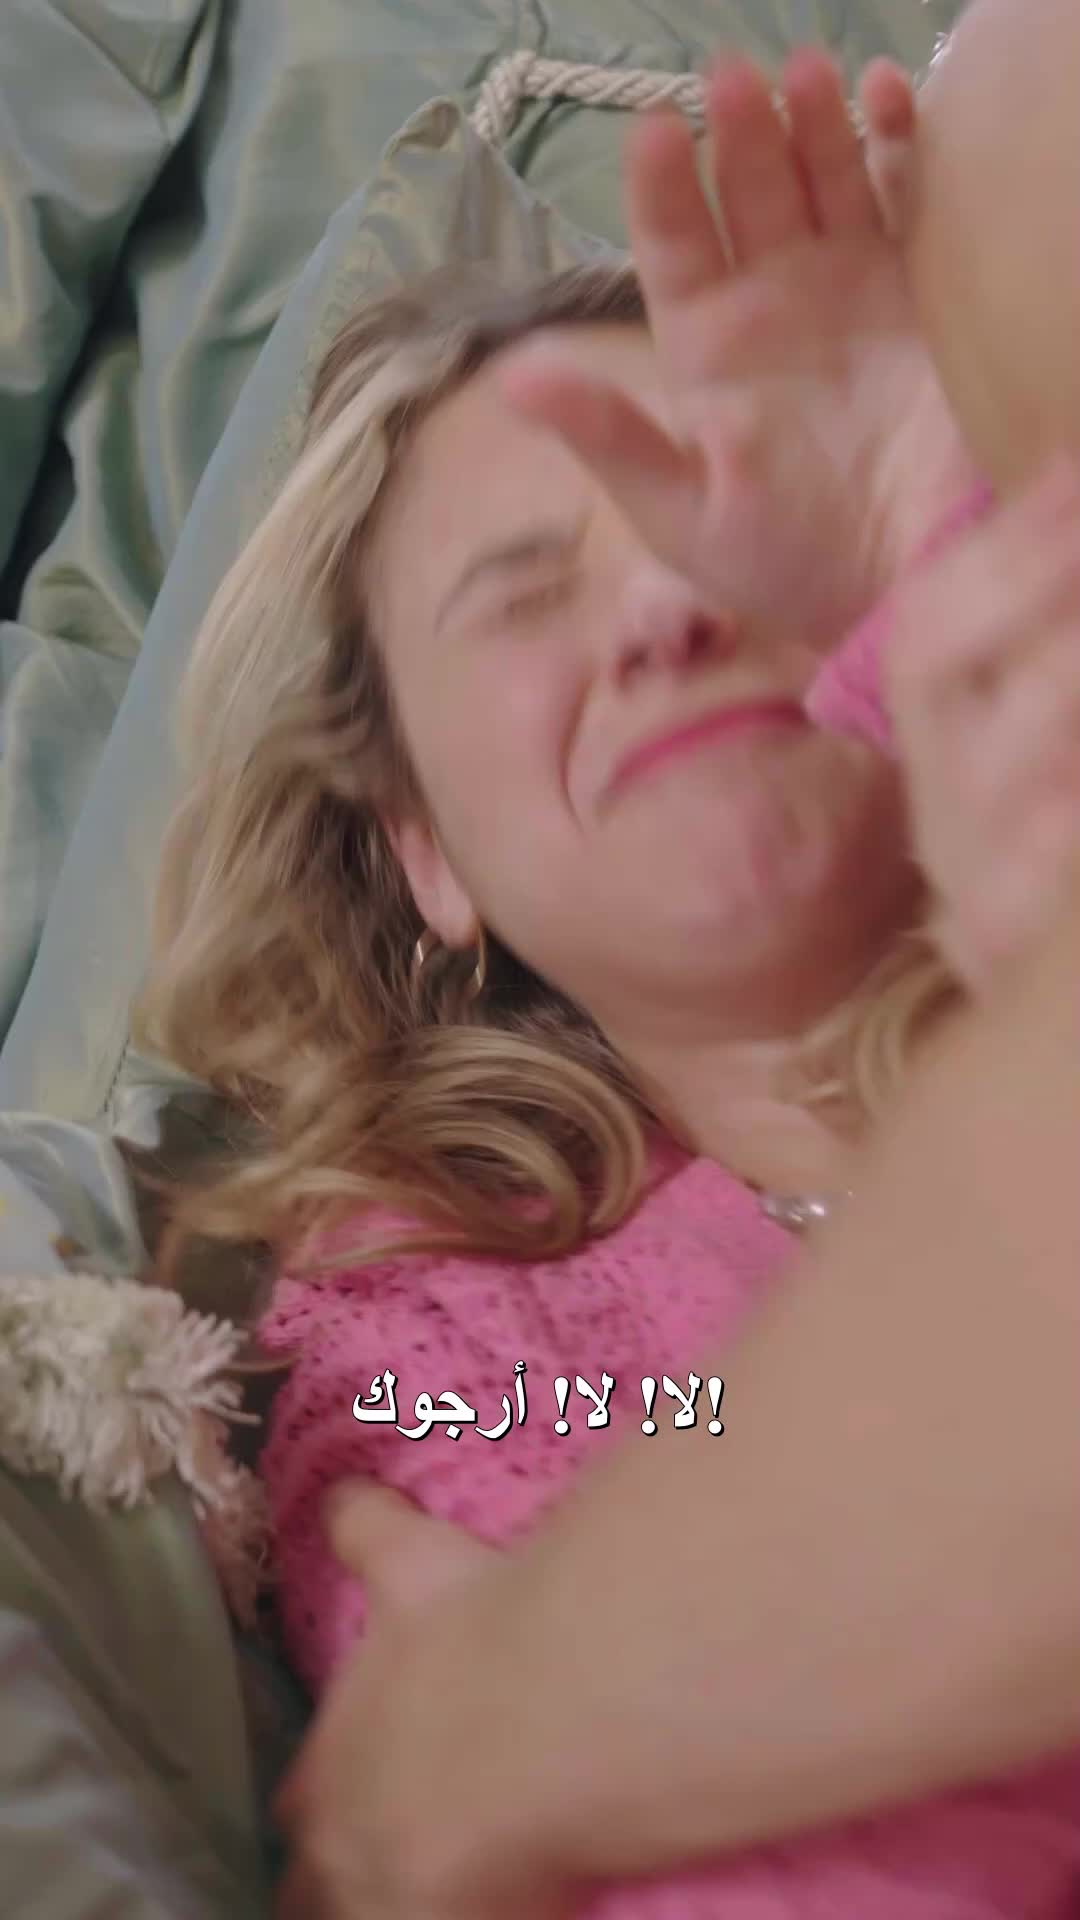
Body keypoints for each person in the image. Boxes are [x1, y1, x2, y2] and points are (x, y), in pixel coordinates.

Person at [136, 13, 1080, 1919]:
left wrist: (953, 560)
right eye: (522, 598)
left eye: (703, 518)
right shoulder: (450, 1357)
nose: (660, 609)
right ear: (423, 850)